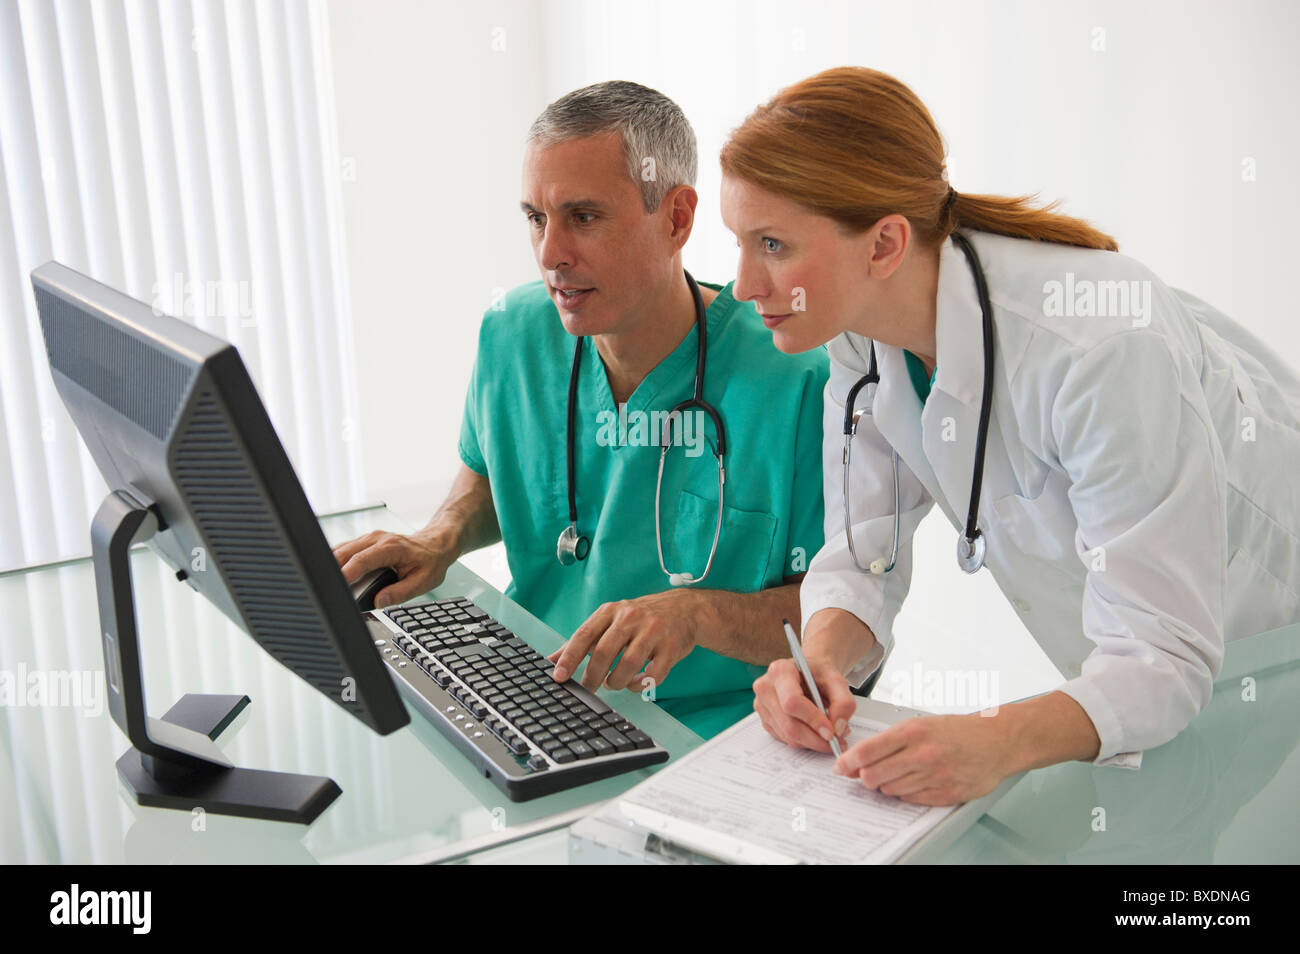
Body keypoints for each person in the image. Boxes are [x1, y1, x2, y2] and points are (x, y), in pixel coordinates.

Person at [720, 66, 1300, 803]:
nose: (741, 284)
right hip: (1152, 679)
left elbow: (1163, 654)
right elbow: (864, 554)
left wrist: (990, 741)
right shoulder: (857, 334)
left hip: (1270, 643)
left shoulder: (1100, 348)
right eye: (740, 241)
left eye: (772, 244)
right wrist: (823, 662)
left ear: (885, 244)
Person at [334, 81, 828, 738]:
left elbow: (834, 617)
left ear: (677, 218)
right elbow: (493, 471)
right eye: (536, 218)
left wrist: (696, 613)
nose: (549, 254)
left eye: (584, 217)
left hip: (708, 739)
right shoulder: (512, 335)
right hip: (531, 698)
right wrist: (441, 537)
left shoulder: (795, 379)